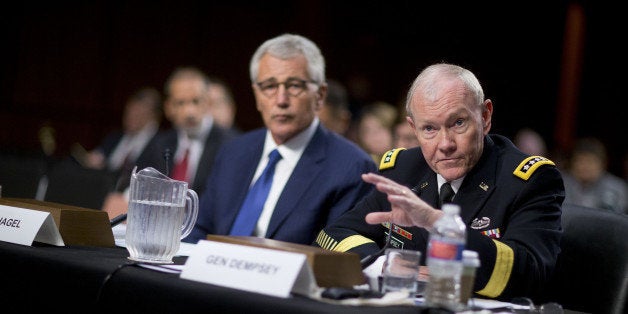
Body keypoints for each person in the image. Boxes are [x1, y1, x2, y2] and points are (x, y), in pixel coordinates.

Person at [313, 63, 565, 302]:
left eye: (458, 123)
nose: (445, 144)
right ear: (413, 127)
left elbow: (531, 273)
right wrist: (386, 264)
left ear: (485, 117)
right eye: (430, 129)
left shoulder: (528, 179)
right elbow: (333, 235)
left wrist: (440, 225)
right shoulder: (402, 169)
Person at [184, 34, 377, 245]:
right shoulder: (234, 151)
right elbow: (200, 228)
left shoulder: (351, 167)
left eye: (294, 86)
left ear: (320, 95)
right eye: (269, 86)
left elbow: (330, 261)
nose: (281, 100)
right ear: (257, 95)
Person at [101, 67, 238, 219]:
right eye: (180, 103)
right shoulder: (160, 144)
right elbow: (134, 185)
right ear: (168, 108)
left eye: (196, 101)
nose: (189, 112)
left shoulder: (231, 145)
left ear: (207, 103)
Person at [82, 87, 162, 189]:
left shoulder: (159, 145)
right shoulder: (114, 138)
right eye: (129, 112)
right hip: (99, 190)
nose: (131, 117)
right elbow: (98, 156)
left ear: (153, 116)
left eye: (139, 114)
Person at [562, 137, 627, 214]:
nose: (584, 166)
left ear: (603, 164)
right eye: (580, 161)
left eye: (590, 161)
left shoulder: (617, 187)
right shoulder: (559, 183)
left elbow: (618, 219)